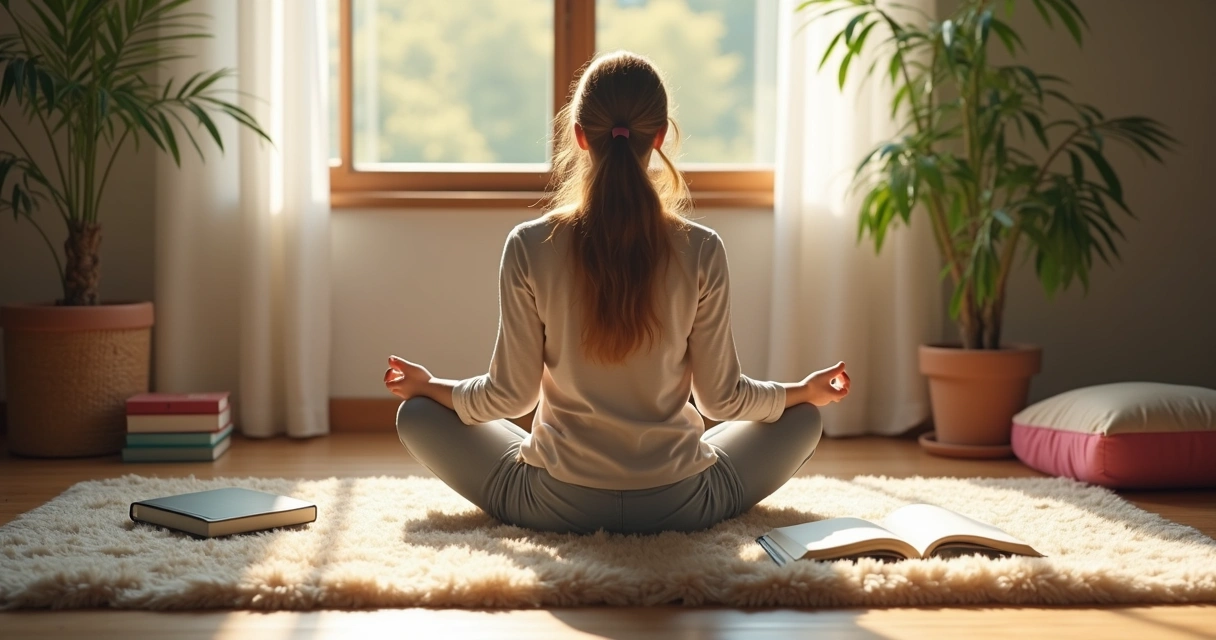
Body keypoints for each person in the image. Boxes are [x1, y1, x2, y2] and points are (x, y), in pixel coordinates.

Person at [384, 51, 850, 534]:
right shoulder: (702, 249)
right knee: (803, 419)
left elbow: (509, 397)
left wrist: (429, 387)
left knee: (418, 414)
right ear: (662, 136)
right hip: (683, 503)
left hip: (553, 503)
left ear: (580, 135)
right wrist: (801, 392)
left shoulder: (528, 245)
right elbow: (722, 402)